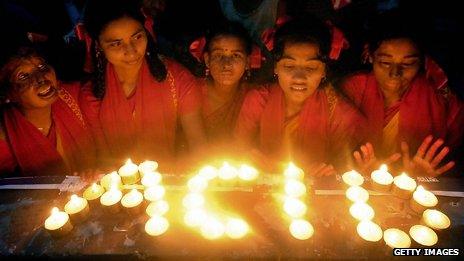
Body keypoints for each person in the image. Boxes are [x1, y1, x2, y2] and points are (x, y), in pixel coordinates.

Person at [80, 0, 206, 170]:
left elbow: (198, 145)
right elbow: (102, 160)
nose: (131, 51)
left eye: (137, 37)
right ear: (98, 46)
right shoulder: (93, 93)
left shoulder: (177, 79)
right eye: (116, 44)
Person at [234, 18, 364, 176]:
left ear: (324, 71)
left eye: (311, 67)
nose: (299, 78)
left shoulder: (337, 111)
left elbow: (344, 165)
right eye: (289, 66)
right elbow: (238, 148)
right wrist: (248, 158)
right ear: (276, 67)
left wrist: (329, 170)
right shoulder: (259, 99)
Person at [341, 11, 463, 176]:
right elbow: (329, 151)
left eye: (408, 64)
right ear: (370, 57)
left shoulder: (442, 102)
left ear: (422, 62)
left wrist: (424, 177)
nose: (395, 73)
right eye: (385, 62)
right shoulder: (351, 90)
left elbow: (452, 163)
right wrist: (355, 169)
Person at [0, 47, 95, 176]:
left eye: (41, 67)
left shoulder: (75, 96)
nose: (40, 79)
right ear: (8, 94)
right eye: (23, 76)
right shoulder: (5, 136)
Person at [198, 22, 253, 145]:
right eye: (218, 55)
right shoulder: (191, 92)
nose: (226, 64)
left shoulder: (255, 96)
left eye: (236, 55)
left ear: (248, 62)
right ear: (207, 59)